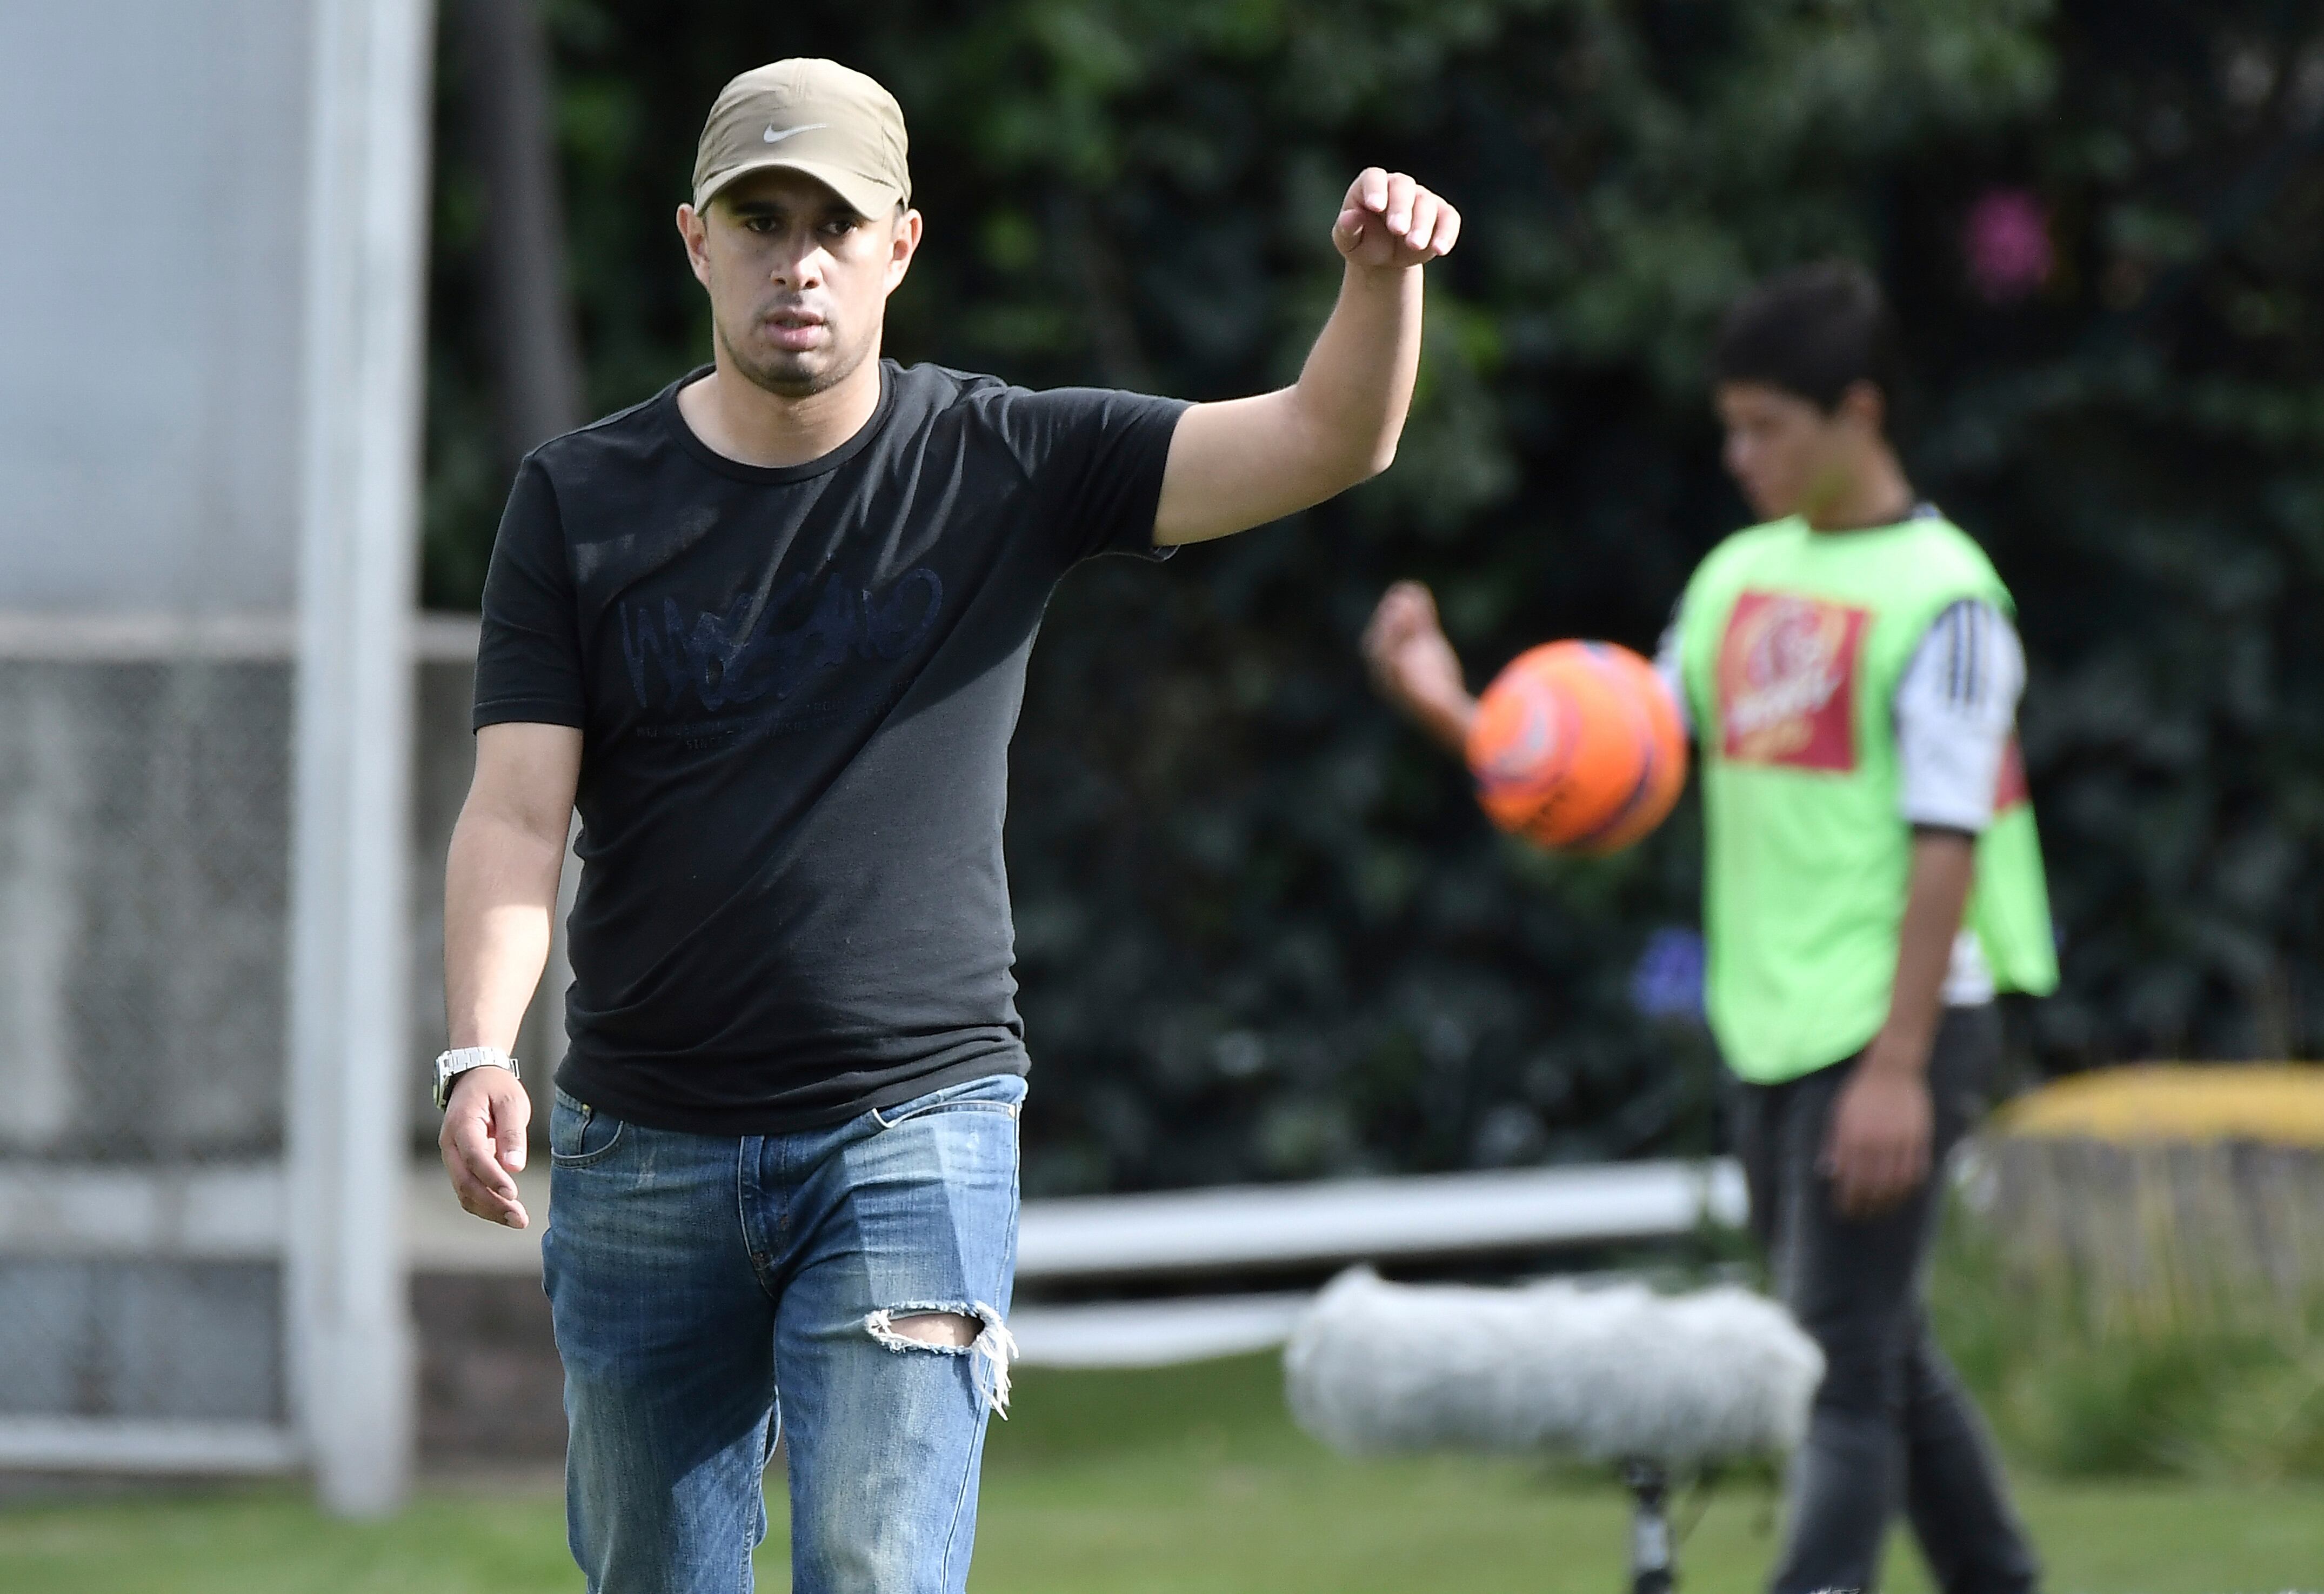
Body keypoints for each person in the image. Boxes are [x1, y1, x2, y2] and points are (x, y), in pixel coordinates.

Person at [431, 56, 1458, 1594]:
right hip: (643, 1145)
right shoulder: (578, 501)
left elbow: (1328, 438)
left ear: (899, 247)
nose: (797, 261)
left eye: (833, 225)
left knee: (877, 1570)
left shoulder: (1000, 461)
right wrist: (478, 1047)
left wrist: (1378, 283)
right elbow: (517, 813)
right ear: (693, 240)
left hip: (910, 1128)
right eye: (758, 220)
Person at [1363, 262, 2056, 1594]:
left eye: (1764, 428)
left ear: (1856, 412)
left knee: (1825, 1363)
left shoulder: (1947, 596)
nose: (1736, 456)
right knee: (1874, 1341)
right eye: (1728, 427)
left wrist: (1900, 1066)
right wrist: (1451, 707)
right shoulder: (1736, 578)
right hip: (1770, 1019)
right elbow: (1624, 759)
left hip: (1901, 1022)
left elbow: (1947, 843)